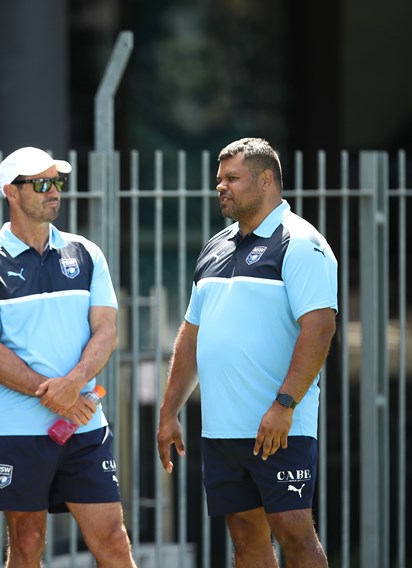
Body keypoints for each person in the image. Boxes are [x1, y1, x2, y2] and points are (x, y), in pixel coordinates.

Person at [157, 138, 337, 567]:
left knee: (293, 530)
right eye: (219, 179)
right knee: (244, 536)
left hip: (279, 425)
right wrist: (168, 411)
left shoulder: (301, 242)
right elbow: (191, 335)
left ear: (266, 180)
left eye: (233, 178)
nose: (221, 187)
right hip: (222, 429)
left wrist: (284, 404)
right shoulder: (215, 246)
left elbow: (320, 327)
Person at [0, 147, 136, 567]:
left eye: (57, 181)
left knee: (112, 538)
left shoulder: (86, 253)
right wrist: (53, 393)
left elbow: (107, 331)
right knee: (26, 541)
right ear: (11, 192)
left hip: (84, 424)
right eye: (41, 183)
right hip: (16, 427)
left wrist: (72, 386)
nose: (54, 191)